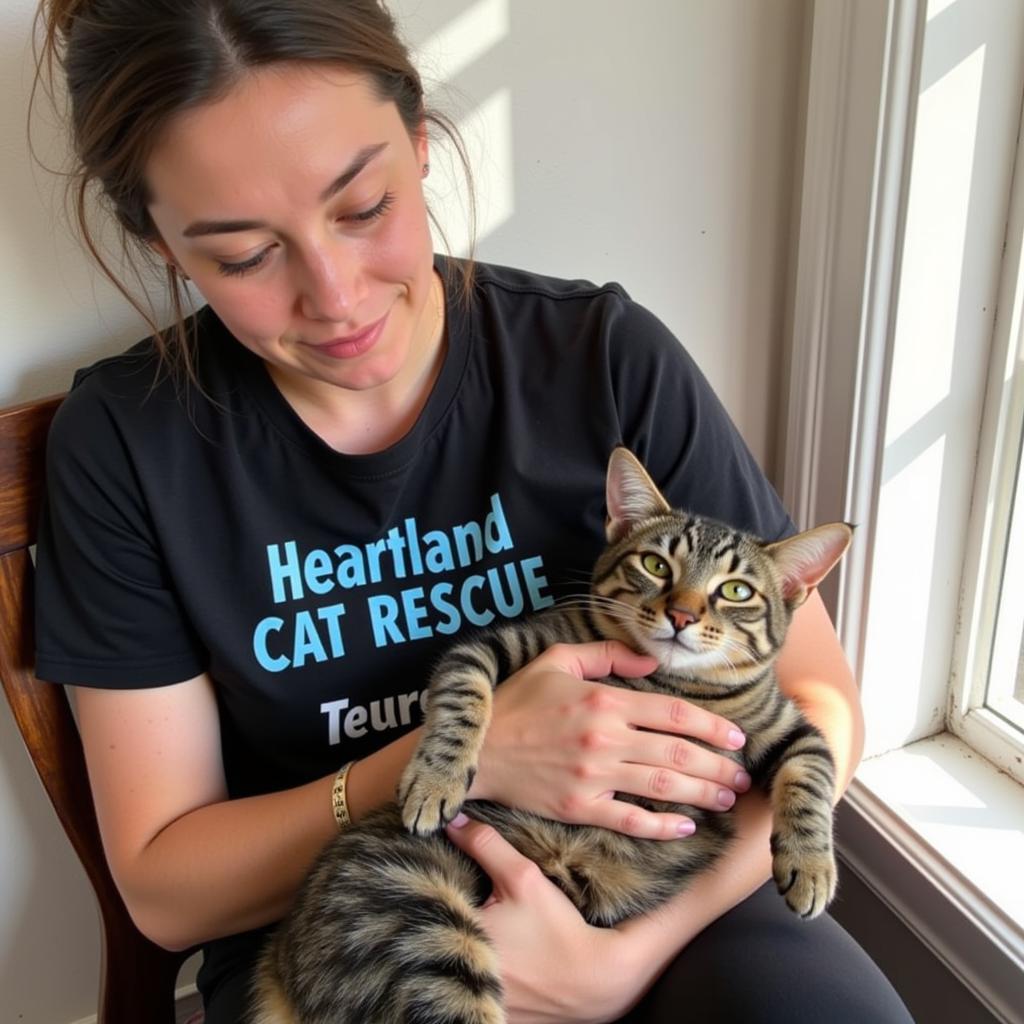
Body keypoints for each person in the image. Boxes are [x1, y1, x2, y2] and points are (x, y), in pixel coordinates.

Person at [31, 3, 914, 1022]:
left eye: (362, 206)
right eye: (241, 254)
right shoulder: (130, 444)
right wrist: (465, 752)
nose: (336, 295)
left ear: (418, 146)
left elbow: (819, 700)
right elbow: (163, 888)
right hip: (361, 920)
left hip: (668, 889)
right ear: (162, 244)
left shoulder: (604, 358)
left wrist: (621, 959)